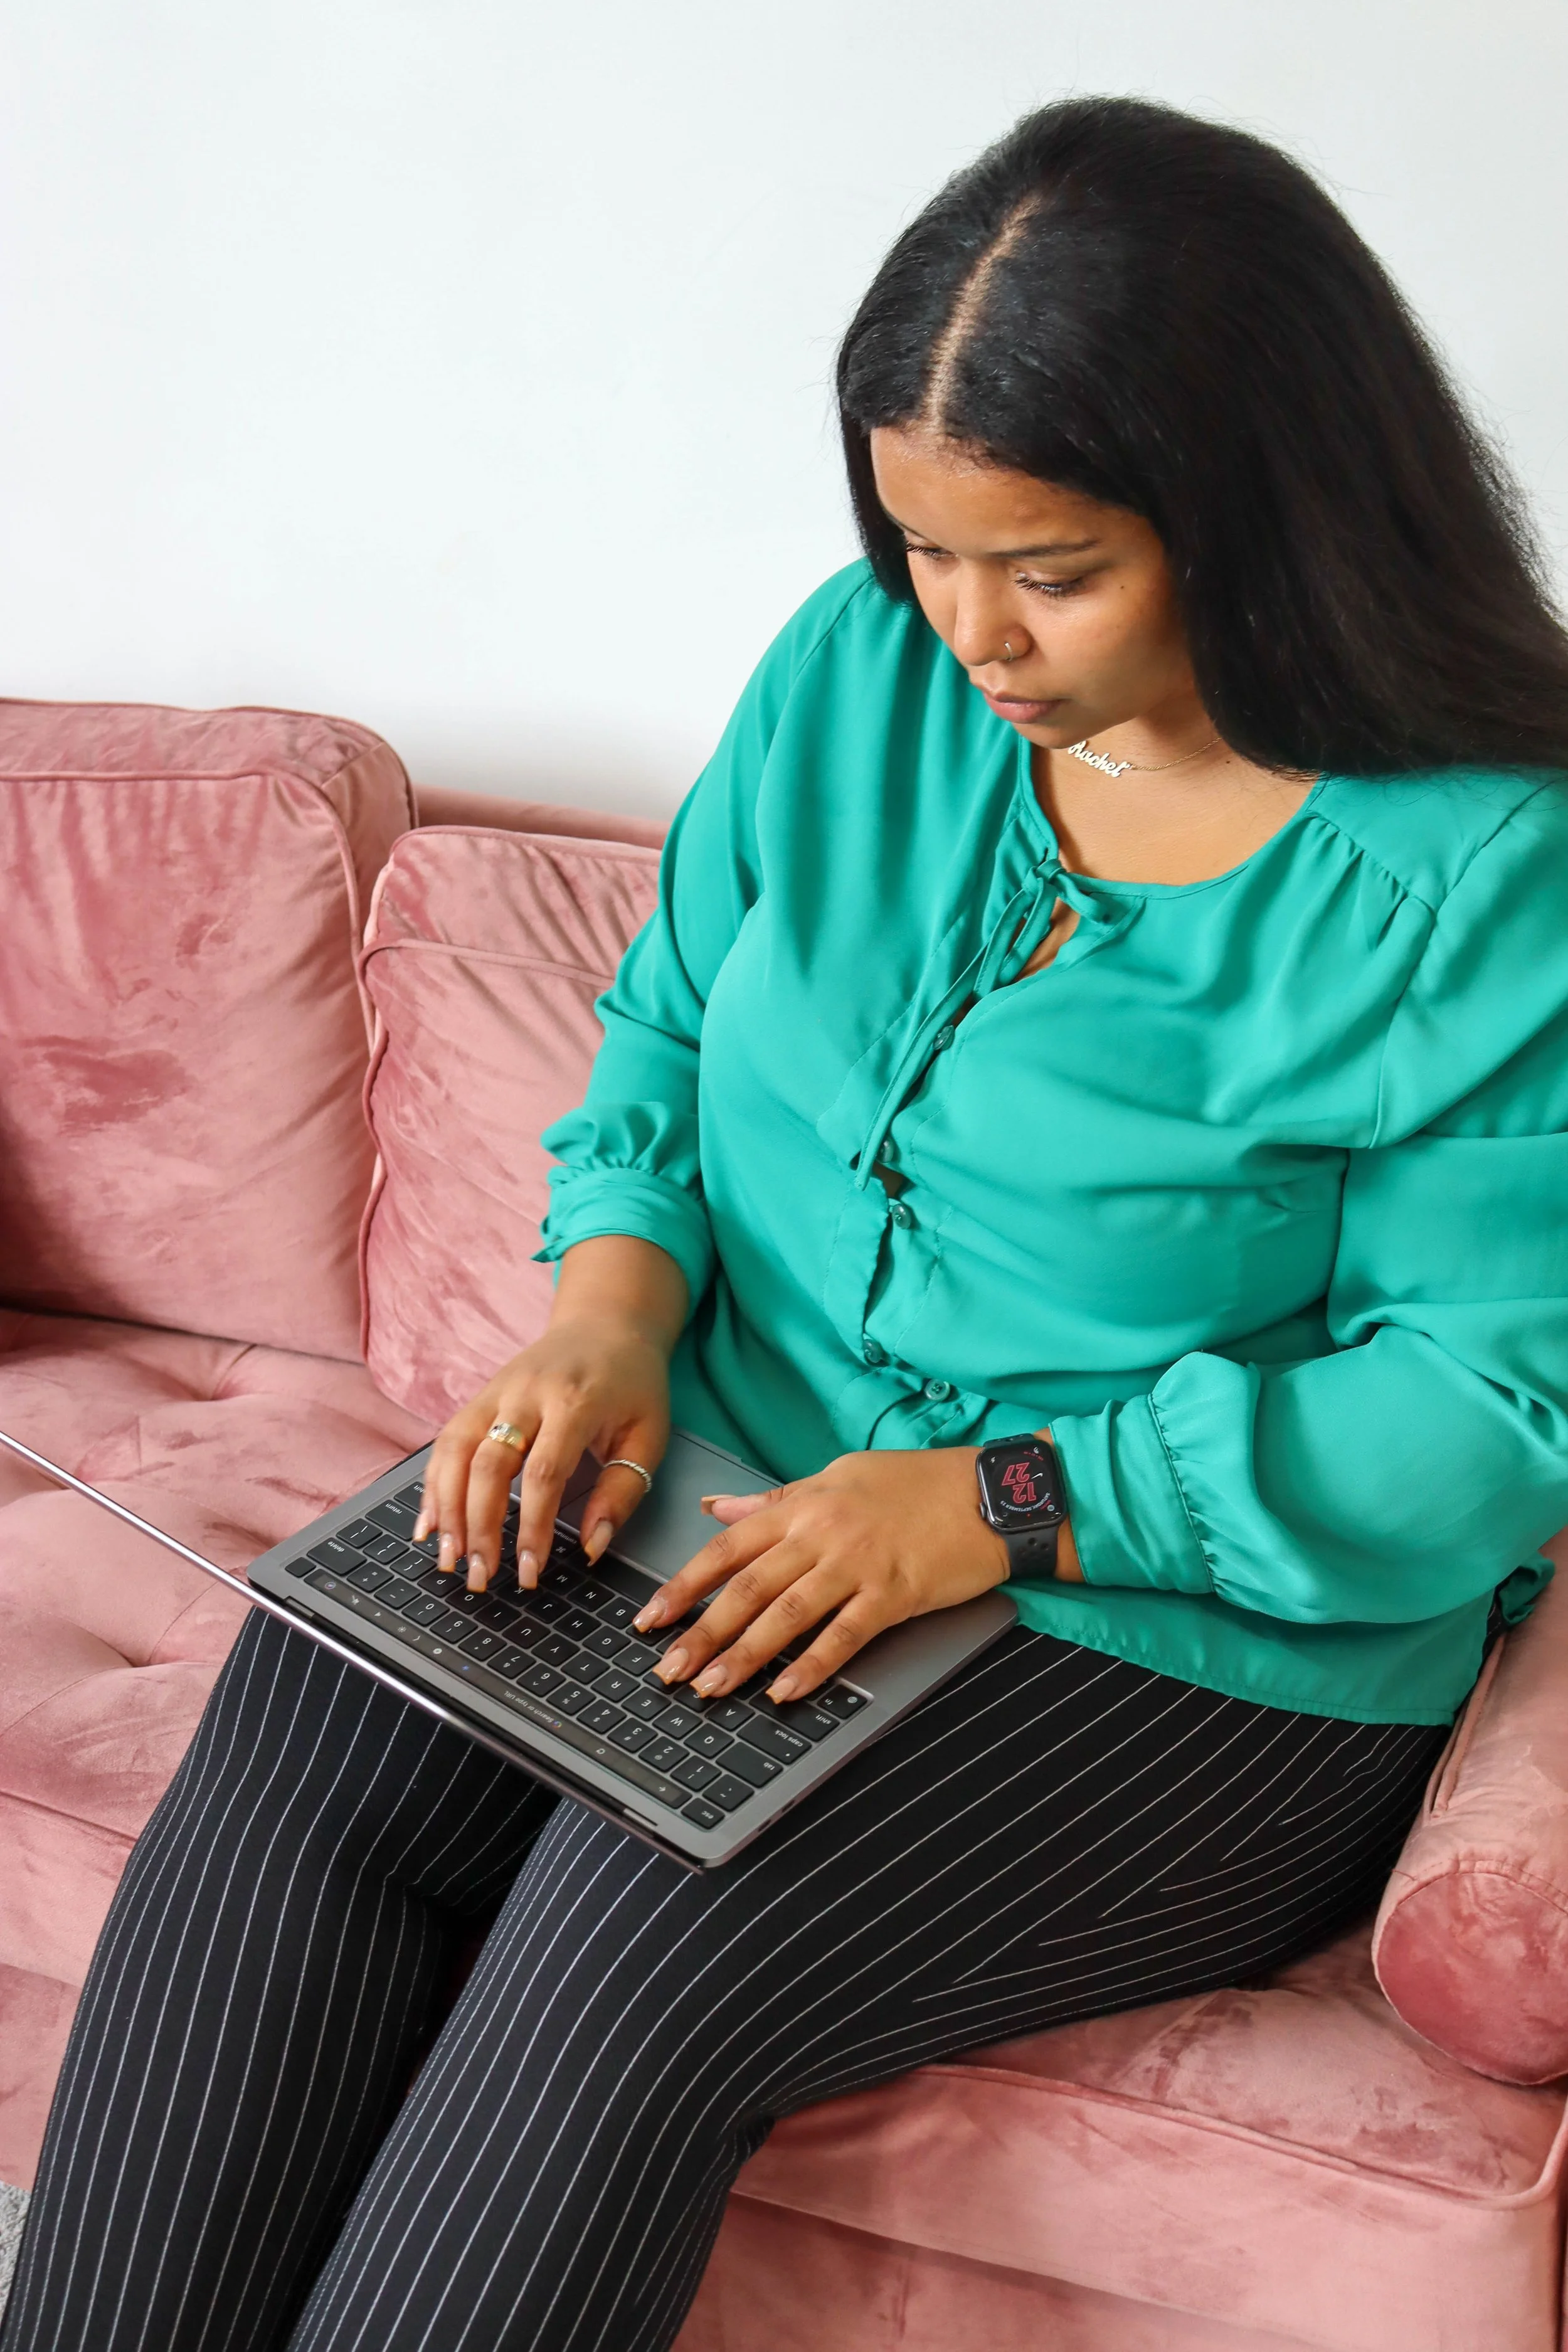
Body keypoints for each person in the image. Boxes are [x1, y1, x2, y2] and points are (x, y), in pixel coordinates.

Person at [8, 93, 1568, 2352]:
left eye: (1048, 571)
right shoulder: (862, 672)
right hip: (720, 1463)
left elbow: (1482, 1411)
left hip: (1171, 1625)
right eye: (924, 550)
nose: (969, 634)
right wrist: (607, 1323)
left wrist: (1001, 1502)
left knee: (631, 1953)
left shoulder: (1488, 871)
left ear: (1266, 512)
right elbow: (664, 1031)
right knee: (306, 1746)